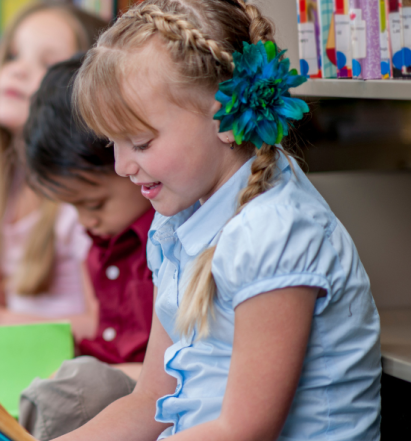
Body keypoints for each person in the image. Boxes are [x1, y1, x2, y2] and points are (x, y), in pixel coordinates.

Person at [57, 0, 382, 440]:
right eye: (113, 143)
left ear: (226, 118)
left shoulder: (275, 232)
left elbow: (243, 430)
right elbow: (150, 400)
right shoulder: (179, 219)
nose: (121, 166)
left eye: (140, 142)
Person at [0, 4, 107, 341]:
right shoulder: (3, 185)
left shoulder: (77, 202)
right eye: (13, 56)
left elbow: (104, 328)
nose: (16, 71)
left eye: (46, 63)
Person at [17, 55, 155, 441]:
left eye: (93, 204)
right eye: (72, 207)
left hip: (140, 396)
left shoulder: (162, 245)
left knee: (74, 385)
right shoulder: (100, 244)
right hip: (105, 394)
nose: (84, 221)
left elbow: (169, 375)